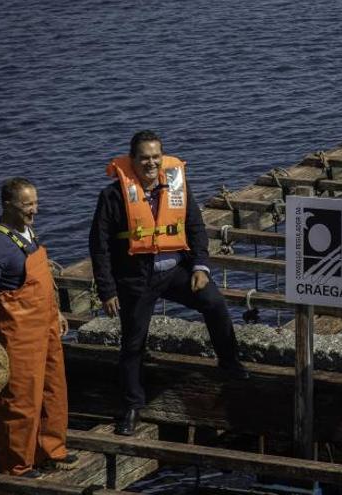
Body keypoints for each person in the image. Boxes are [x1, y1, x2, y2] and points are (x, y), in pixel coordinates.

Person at [89, 130, 248, 436]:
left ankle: (230, 363)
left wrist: (201, 266)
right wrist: (107, 289)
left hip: (176, 271)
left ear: (162, 158)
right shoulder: (112, 196)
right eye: (144, 158)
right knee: (133, 343)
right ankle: (133, 406)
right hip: (137, 278)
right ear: (132, 160)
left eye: (155, 157)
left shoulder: (177, 186)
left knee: (214, 304)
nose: (151, 163)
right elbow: (99, 246)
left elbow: (196, 229)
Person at [0, 177, 77, 478]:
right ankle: (16, 466)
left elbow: (43, 278)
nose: (34, 210)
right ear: (8, 205)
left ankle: (51, 450)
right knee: (20, 400)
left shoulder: (26, 230)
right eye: (27, 205)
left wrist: (55, 313)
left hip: (44, 325)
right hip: (19, 333)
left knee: (53, 390)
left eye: (35, 203)